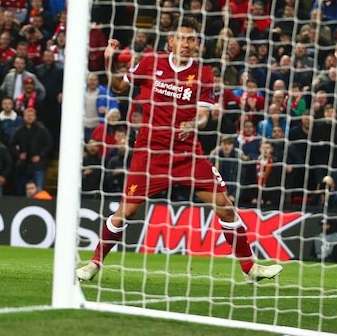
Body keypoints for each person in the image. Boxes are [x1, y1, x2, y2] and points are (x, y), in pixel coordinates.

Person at [77, 18, 283, 284]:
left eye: (191, 39)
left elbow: (203, 117)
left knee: (225, 208)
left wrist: (192, 123)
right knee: (127, 212)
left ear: (197, 43)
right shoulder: (151, 62)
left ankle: (250, 268)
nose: (186, 44)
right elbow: (118, 87)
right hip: (150, 152)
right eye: (181, 38)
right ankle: (94, 263)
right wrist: (109, 60)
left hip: (187, 154)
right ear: (170, 41)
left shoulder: (203, 73)